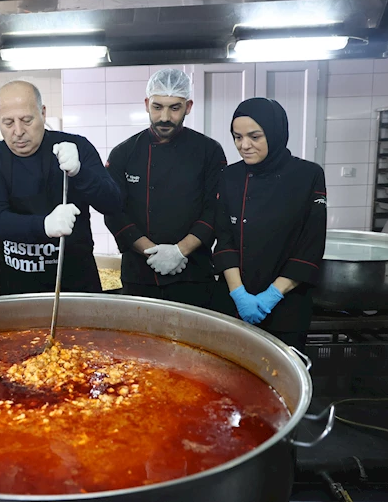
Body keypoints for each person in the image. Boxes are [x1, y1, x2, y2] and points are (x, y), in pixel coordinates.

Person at [0, 80, 122, 295]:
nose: (18, 131)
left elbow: (113, 203)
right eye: (8, 122)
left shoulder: (76, 147)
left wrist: (80, 172)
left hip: (76, 285)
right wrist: (44, 225)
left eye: (27, 120)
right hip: (18, 290)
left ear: (43, 113)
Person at [104, 69, 227, 308]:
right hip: (139, 275)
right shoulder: (124, 153)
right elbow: (114, 212)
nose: (164, 117)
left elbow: (216, 209)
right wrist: (152, 252)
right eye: (157, 107)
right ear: (147, 104)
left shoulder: (209, 151)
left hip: (194, 276)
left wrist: (180, 251)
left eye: (174, 108)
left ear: (188, 106)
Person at [213, 98, 327, 351]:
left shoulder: (308, 175)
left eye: (255, 136)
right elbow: (224, 238)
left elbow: (311, 245)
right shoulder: (229, 176)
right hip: (234, 303)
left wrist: (271, 296)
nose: (244, 145)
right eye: (237, 137)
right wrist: (238, 294)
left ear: (275, 133)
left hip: (288, 305)